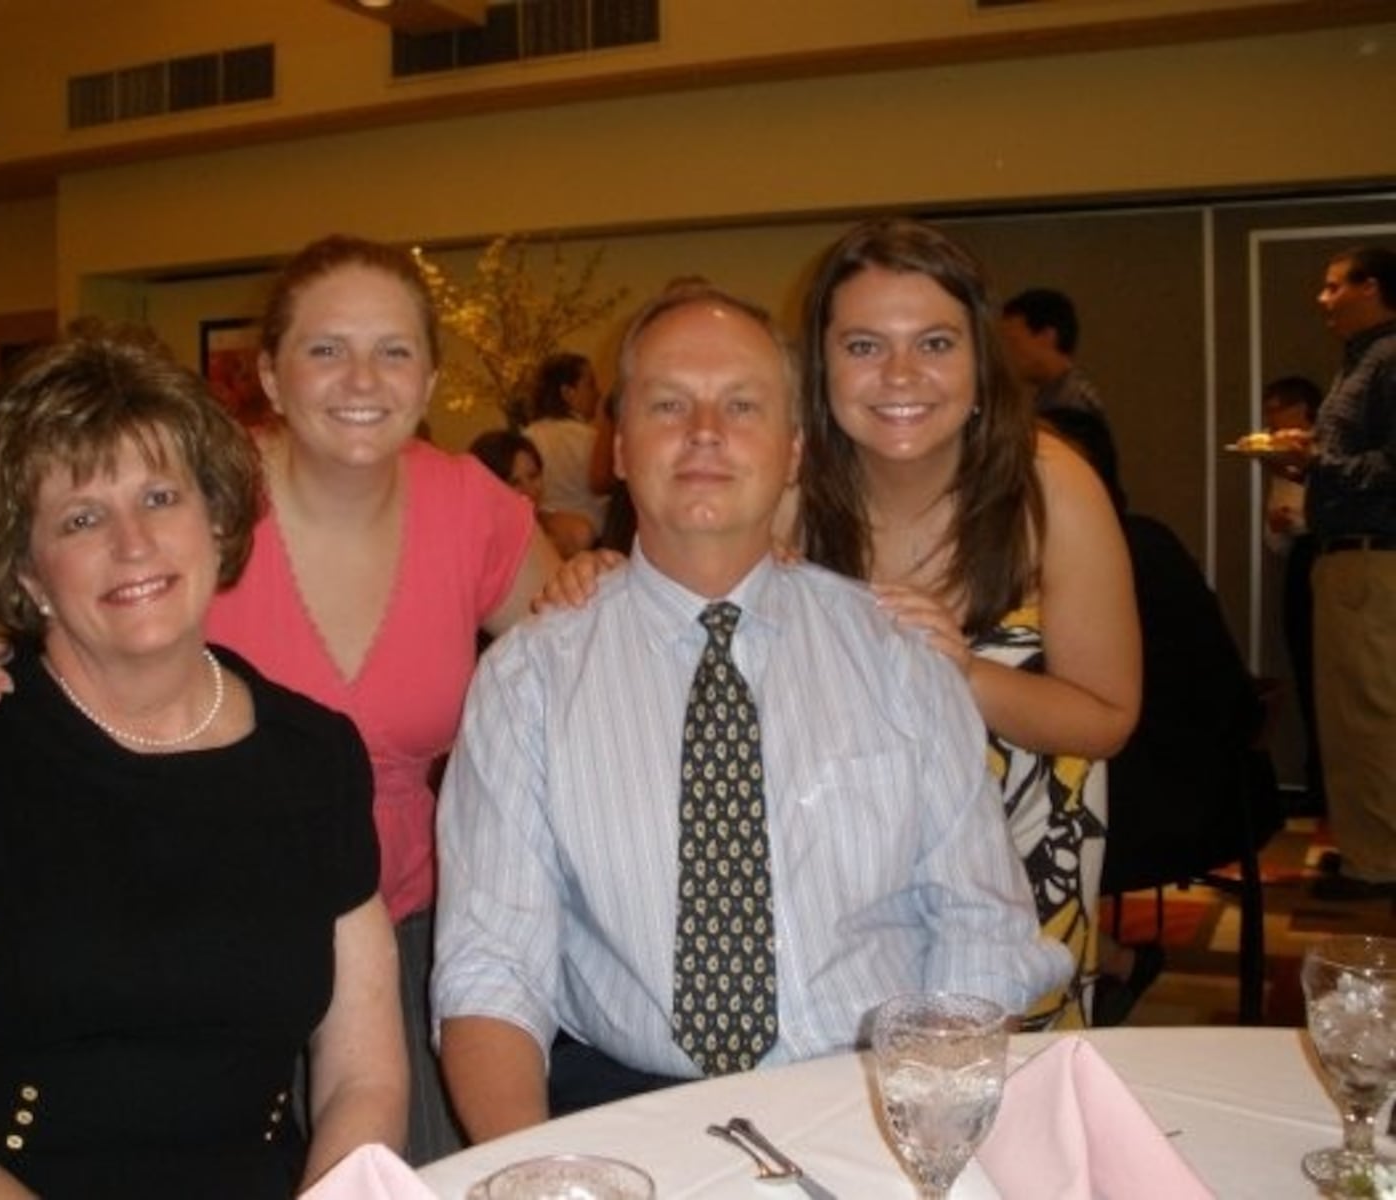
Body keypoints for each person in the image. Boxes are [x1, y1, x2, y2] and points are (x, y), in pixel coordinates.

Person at [0, 235, 561, 1163]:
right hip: (195, 925)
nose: (362, 379)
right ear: (268, 372)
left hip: (409, 920)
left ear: (429, 382)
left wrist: (614, 577)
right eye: (325, 348)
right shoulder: (194, 503)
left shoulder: (472, 506)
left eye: (394, 351)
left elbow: (569, 658)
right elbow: (89, 605)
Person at [432, 285, 1070, 1143]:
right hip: (622, 1108)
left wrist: (928, 1138)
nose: (704, 431)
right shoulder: (528, 682)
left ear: (795, 449)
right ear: (619, 449)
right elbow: (491, 967)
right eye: (668, 404)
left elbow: (980, 930)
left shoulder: (898, 659)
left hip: (875, 1098)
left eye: (741, 405)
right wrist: (530, 1169)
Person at [0, 328, 406, 1197]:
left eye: (160, 497)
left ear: (216, 521)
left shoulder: (316, 756)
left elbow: (362, 1082)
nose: (133, 543)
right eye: (81, 517)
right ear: (28, 573)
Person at [800, 219, 1140, 1027]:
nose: (901, 375)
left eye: (936, 343)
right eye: (863, 346)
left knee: (1006, 1120)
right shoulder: (789, 493)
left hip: (1022, 867)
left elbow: (1107, 719)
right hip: (838, 870)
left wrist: (956, 672)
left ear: (981, 361)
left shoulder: (1052, 487)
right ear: (821, 365)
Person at [1045, 407, 1280, 1024]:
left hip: (1132, 817)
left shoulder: (1051, 564)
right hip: (1213, 797)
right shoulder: (1154, 539)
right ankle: (1111, 959)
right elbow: (1234, 698)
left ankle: (1106, 965)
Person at [1289, 245, 1396, 900]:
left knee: (1369, 715)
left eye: (1334, 287)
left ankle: (1379, 864)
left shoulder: (1388, 360)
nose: (1323, 299)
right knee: (1352, 715)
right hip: (1349, 558)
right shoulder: (1361, 360)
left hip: (1371, 559)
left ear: (1372, 287)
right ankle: (1367, 849)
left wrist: (1320, 460)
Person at [1259, 375, 1324, 815]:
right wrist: (1280, 528)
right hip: (1299, 566)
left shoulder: (1324, 455)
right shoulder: (1280, 461)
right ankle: (1317, 782)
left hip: (1328, 559)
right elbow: (1276, 541)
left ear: (1305, 411)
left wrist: (1298, 524)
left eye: (1278, 408)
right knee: (1305, 672)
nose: (1271, 419)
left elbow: (1329, 517)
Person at [469, 429, 597, 558]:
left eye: (533, 476)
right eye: (514, 482)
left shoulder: (571, 532)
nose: (528, 489)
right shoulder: (482, 550)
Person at [522, 351, 612, 532]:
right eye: (590, 385)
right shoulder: (591, 440)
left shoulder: (526, 437)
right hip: (593, 539)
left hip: (544, 539)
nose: (598, 393)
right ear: (567, 393)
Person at [999, 287, 1109, 420]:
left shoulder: (1072, 406)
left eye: (1013, 342)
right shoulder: (1053, 397)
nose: (1006, 352)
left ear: (1047, 337)